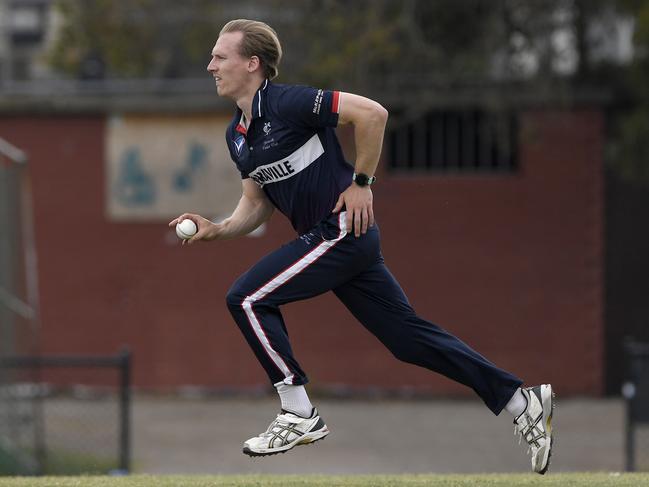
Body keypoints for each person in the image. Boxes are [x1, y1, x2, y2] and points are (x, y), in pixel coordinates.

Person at [169, 19, 555, 474]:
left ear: (252, 63)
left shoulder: (288, 102)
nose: (210, 64)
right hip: (339, 242)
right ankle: (519, 400)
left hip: (339, 231)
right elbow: (256, 204)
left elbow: (372, 113)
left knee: (248, 298)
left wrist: (363, 183)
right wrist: (217, 228)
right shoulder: (238, 135)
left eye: (220, 56)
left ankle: (297, 411)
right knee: (407, 340)